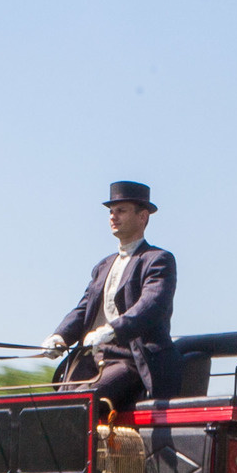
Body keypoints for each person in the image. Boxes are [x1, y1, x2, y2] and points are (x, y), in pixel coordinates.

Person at [40, 181, 177, 424]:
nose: (113, 217)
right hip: (94, 356)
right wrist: (60, 336)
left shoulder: (158, 260)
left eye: (121, 211)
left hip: (131, 359)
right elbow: (84, 309)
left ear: (143, 216)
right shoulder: (103, 266)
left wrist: (112, 330)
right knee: (52, 406)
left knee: (81, 403)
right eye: (111, 212)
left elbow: (151, 306)